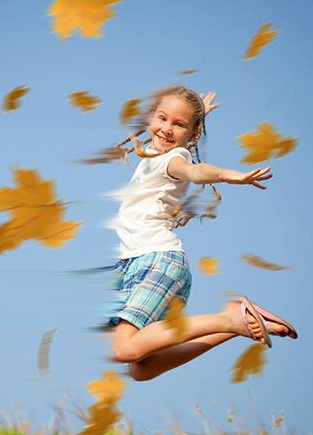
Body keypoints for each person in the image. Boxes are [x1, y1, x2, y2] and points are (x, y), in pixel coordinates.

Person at [104, 86, 297, 381]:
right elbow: (177, 127)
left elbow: (195, 172)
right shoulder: (155, 155)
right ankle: (236, 324)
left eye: (179, 125)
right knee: (141, 368)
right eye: (162, 118)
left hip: (156, 262)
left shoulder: (173, 159)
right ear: (150, 119)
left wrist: (229, 175)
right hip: (139, 266)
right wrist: (198, 113)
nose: (167, 129)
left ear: (192, 135)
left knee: (124, 349)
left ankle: (228, 318)